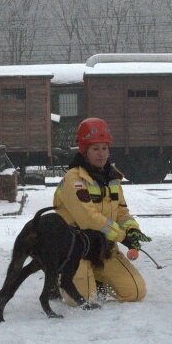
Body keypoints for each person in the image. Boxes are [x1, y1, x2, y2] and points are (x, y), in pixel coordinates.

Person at [53, 117, 151, 305]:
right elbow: (88, 218)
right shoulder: (74, 179)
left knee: (136, 292)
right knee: (81, 300)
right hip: (75, 250)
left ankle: (97, 278)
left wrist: (132, 230)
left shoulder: (113, 178)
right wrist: (122, 237)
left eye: (104, 148)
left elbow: (122, 211)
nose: (101, 154)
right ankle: (58, 279)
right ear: (84, 150)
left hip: (103, 249)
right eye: (95, 148)